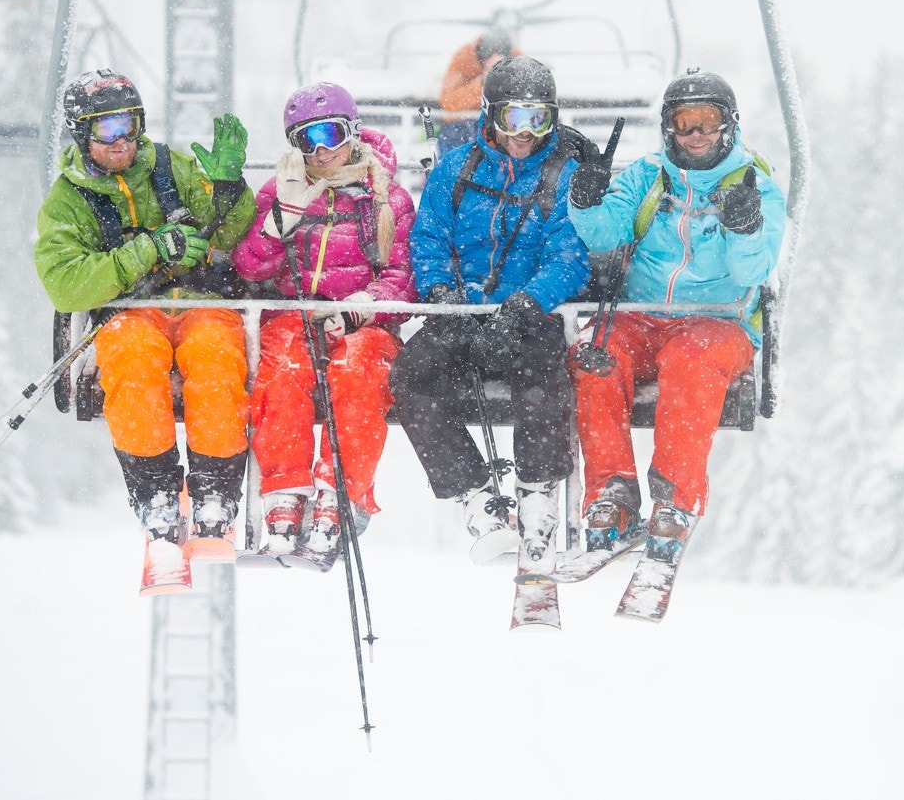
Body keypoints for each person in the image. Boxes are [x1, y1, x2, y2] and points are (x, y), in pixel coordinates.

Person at [34, 69, 256, 594]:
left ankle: (214, 492)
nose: (121, 142)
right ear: (82, 135)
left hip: (202, 302)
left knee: (216, 360)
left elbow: (233, 235)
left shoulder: (171, 168)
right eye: (106, 129)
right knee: (132, 365)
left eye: (129, 126)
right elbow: (66, 283)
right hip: (133, 311)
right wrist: (149, 249)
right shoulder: (71, 200)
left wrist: (228, 188)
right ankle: (157, 493)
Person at [565, 68, 785, 569]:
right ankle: (612, 494)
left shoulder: (753, 185)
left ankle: (675, 501)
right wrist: (586, 202)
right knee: (595, 353)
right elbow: (605, 233)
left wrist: (745, 228)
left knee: (691, 358)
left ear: (728, 125)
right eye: (685, 122)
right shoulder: (649, 176)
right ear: (669, 127)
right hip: (642, 318)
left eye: (708, 121)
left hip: (718, 322)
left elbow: (753, 271)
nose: (696, 135)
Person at [391, 55, 591, 566]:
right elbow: (428, 239)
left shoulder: (561, 178)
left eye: (537, 119)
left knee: (542, 378)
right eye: (512, 119)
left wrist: (525, 306)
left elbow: (570, 256)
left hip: (527, 317)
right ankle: (474, 493)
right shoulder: (458, 171)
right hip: (464, 314)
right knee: (412, 376)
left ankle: (537, 490)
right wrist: (442, 297)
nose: (524, 133)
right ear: (490, 116)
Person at [231, 82, 417, 569]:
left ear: (353, 133)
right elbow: (250, 269)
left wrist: (362, 307)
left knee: (358, 370)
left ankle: (341, 491)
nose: (320, 151)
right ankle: (284, 492)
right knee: (284, 366)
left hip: (364, 322)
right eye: (305, 140)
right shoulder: (282, 190)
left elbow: (404, 277)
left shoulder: (387, 198)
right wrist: (280, 221)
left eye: (330, 134)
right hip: (294, 312)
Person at [435, 27, 516, 155]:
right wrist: (483, 82)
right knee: (456, 134)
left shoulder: (518, 59)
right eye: (489, 55)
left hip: (504, 120)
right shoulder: (463, 59)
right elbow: (449, 103)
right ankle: (458, 172)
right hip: (463, 124)